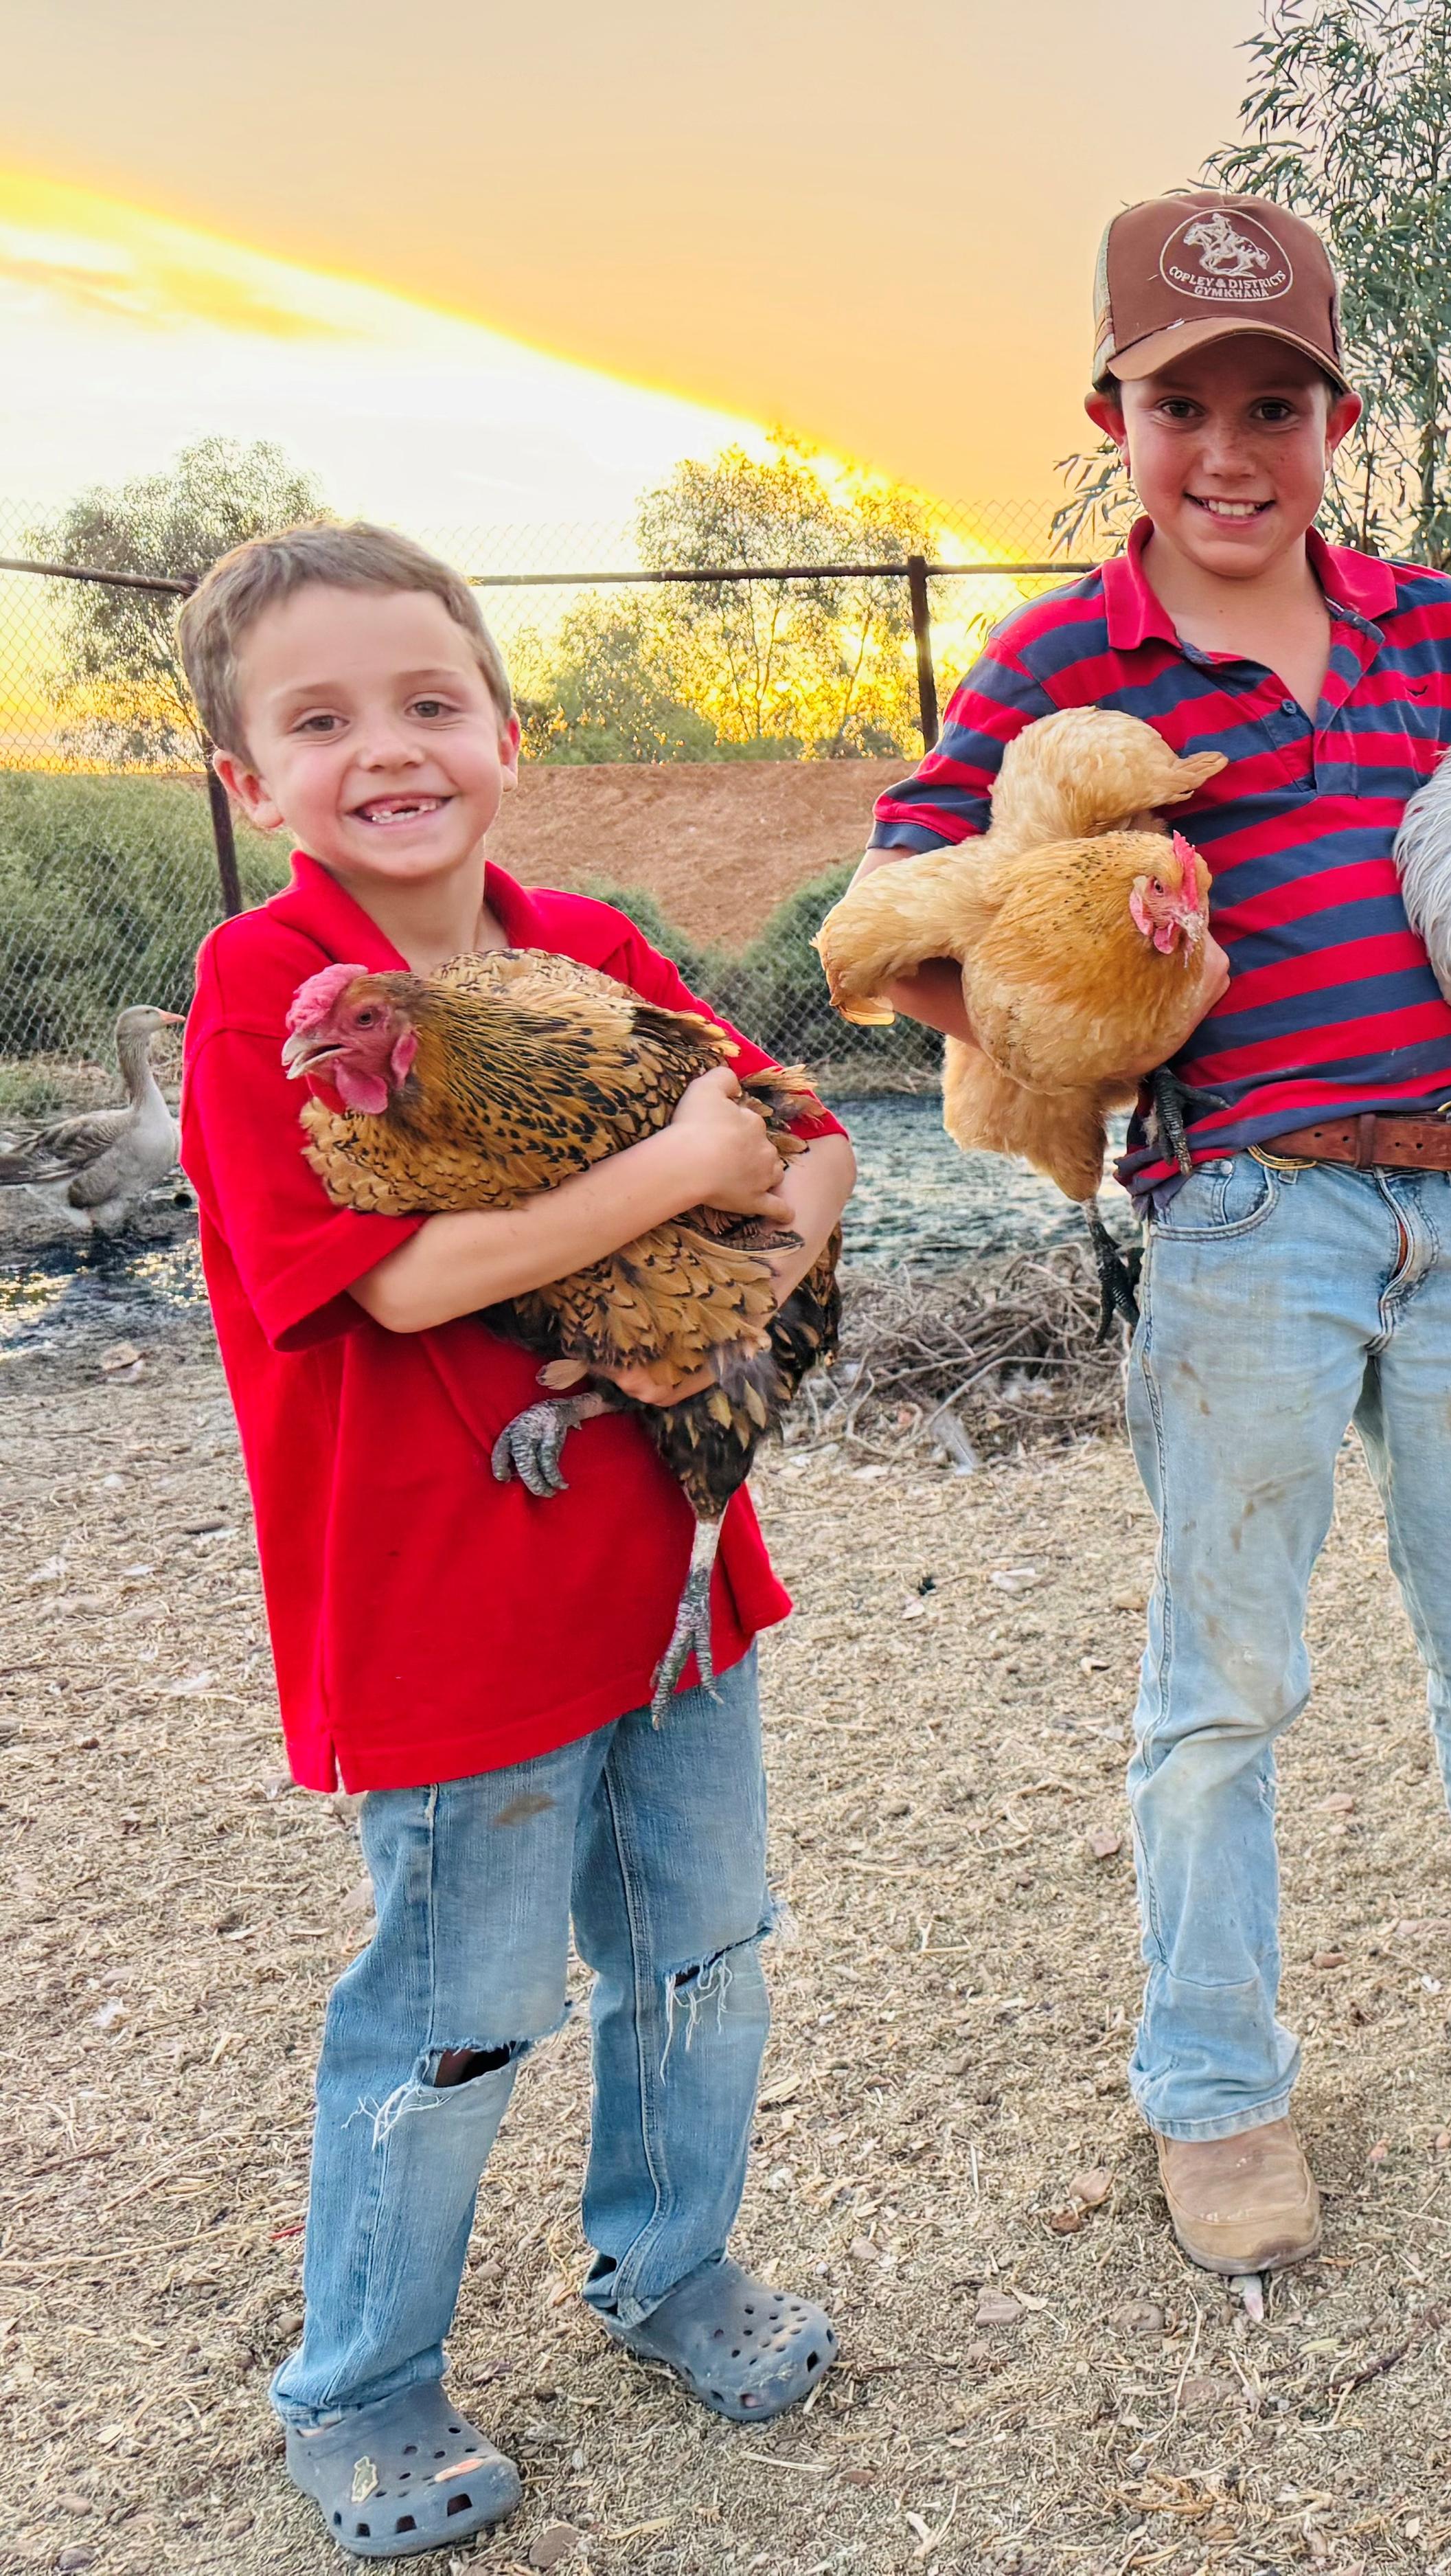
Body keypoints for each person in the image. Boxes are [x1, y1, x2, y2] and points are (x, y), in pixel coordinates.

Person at [858, 190, 1451, 2281]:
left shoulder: (1438, 629)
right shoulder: (1063, 660)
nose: (1232, 450)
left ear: (1338, 415)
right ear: (1116, 412)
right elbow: (910, 890)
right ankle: (1215, 2082)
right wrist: (1048, 1024)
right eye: (1187, 405)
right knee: (1226, 1680)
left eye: (1278, 402)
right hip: (1246, 1210)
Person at [173, 523, 854, 2558]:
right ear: (246, 776)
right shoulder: (269, 985)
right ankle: (363, 2381)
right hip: (443, 1610)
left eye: (425, 700)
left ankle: (671, 2262)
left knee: (702, 1952)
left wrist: (733, 1281)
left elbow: (799, 1134)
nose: (386, 748)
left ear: (503, 727)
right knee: (461, 2009)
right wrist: (683, 1176)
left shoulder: (586, 937)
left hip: (670, 1573)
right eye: (320, 719)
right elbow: (395, 1280)